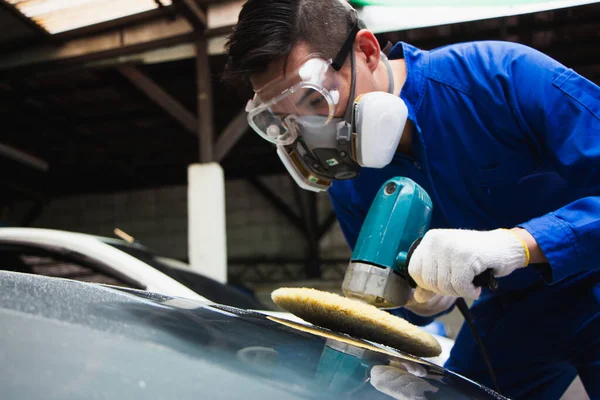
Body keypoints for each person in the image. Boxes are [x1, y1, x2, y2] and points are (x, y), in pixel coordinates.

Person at [223, 0, 600, 398]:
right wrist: (418, 306)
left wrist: (518, 245)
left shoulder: (498, 77)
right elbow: (384, 298)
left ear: (366, 52)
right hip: (507, 312)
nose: (313, 133)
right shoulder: (351, 180)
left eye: (316, 101)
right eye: (285, 120)